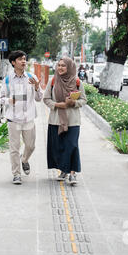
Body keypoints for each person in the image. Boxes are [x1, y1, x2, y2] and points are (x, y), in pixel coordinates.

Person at [0, 50, 43, 185]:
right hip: (13, 119)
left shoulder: (32, 77)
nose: (23, 61)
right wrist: (9, 101)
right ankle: (16, 174)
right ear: (13, 63)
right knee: (14, 148)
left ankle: (24, 160)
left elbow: (39, 98)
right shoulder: (7, 80)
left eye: (24, 59)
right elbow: (0, 98)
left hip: (29, 118)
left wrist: (37, 87)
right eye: (20, 59)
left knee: (30, 146)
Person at [43, 57, 87, 185]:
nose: (60, 68)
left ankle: (72, 174)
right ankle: (63, 170)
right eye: (59, 65)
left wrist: (74, 102)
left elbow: (84, 100)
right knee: (58, 147)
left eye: (63, 66)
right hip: (55, 120)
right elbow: (46, 99)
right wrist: (57, 105)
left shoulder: (77, 82)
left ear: (70, 67)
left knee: (72, 146)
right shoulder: (53, 81)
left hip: (73, 121)